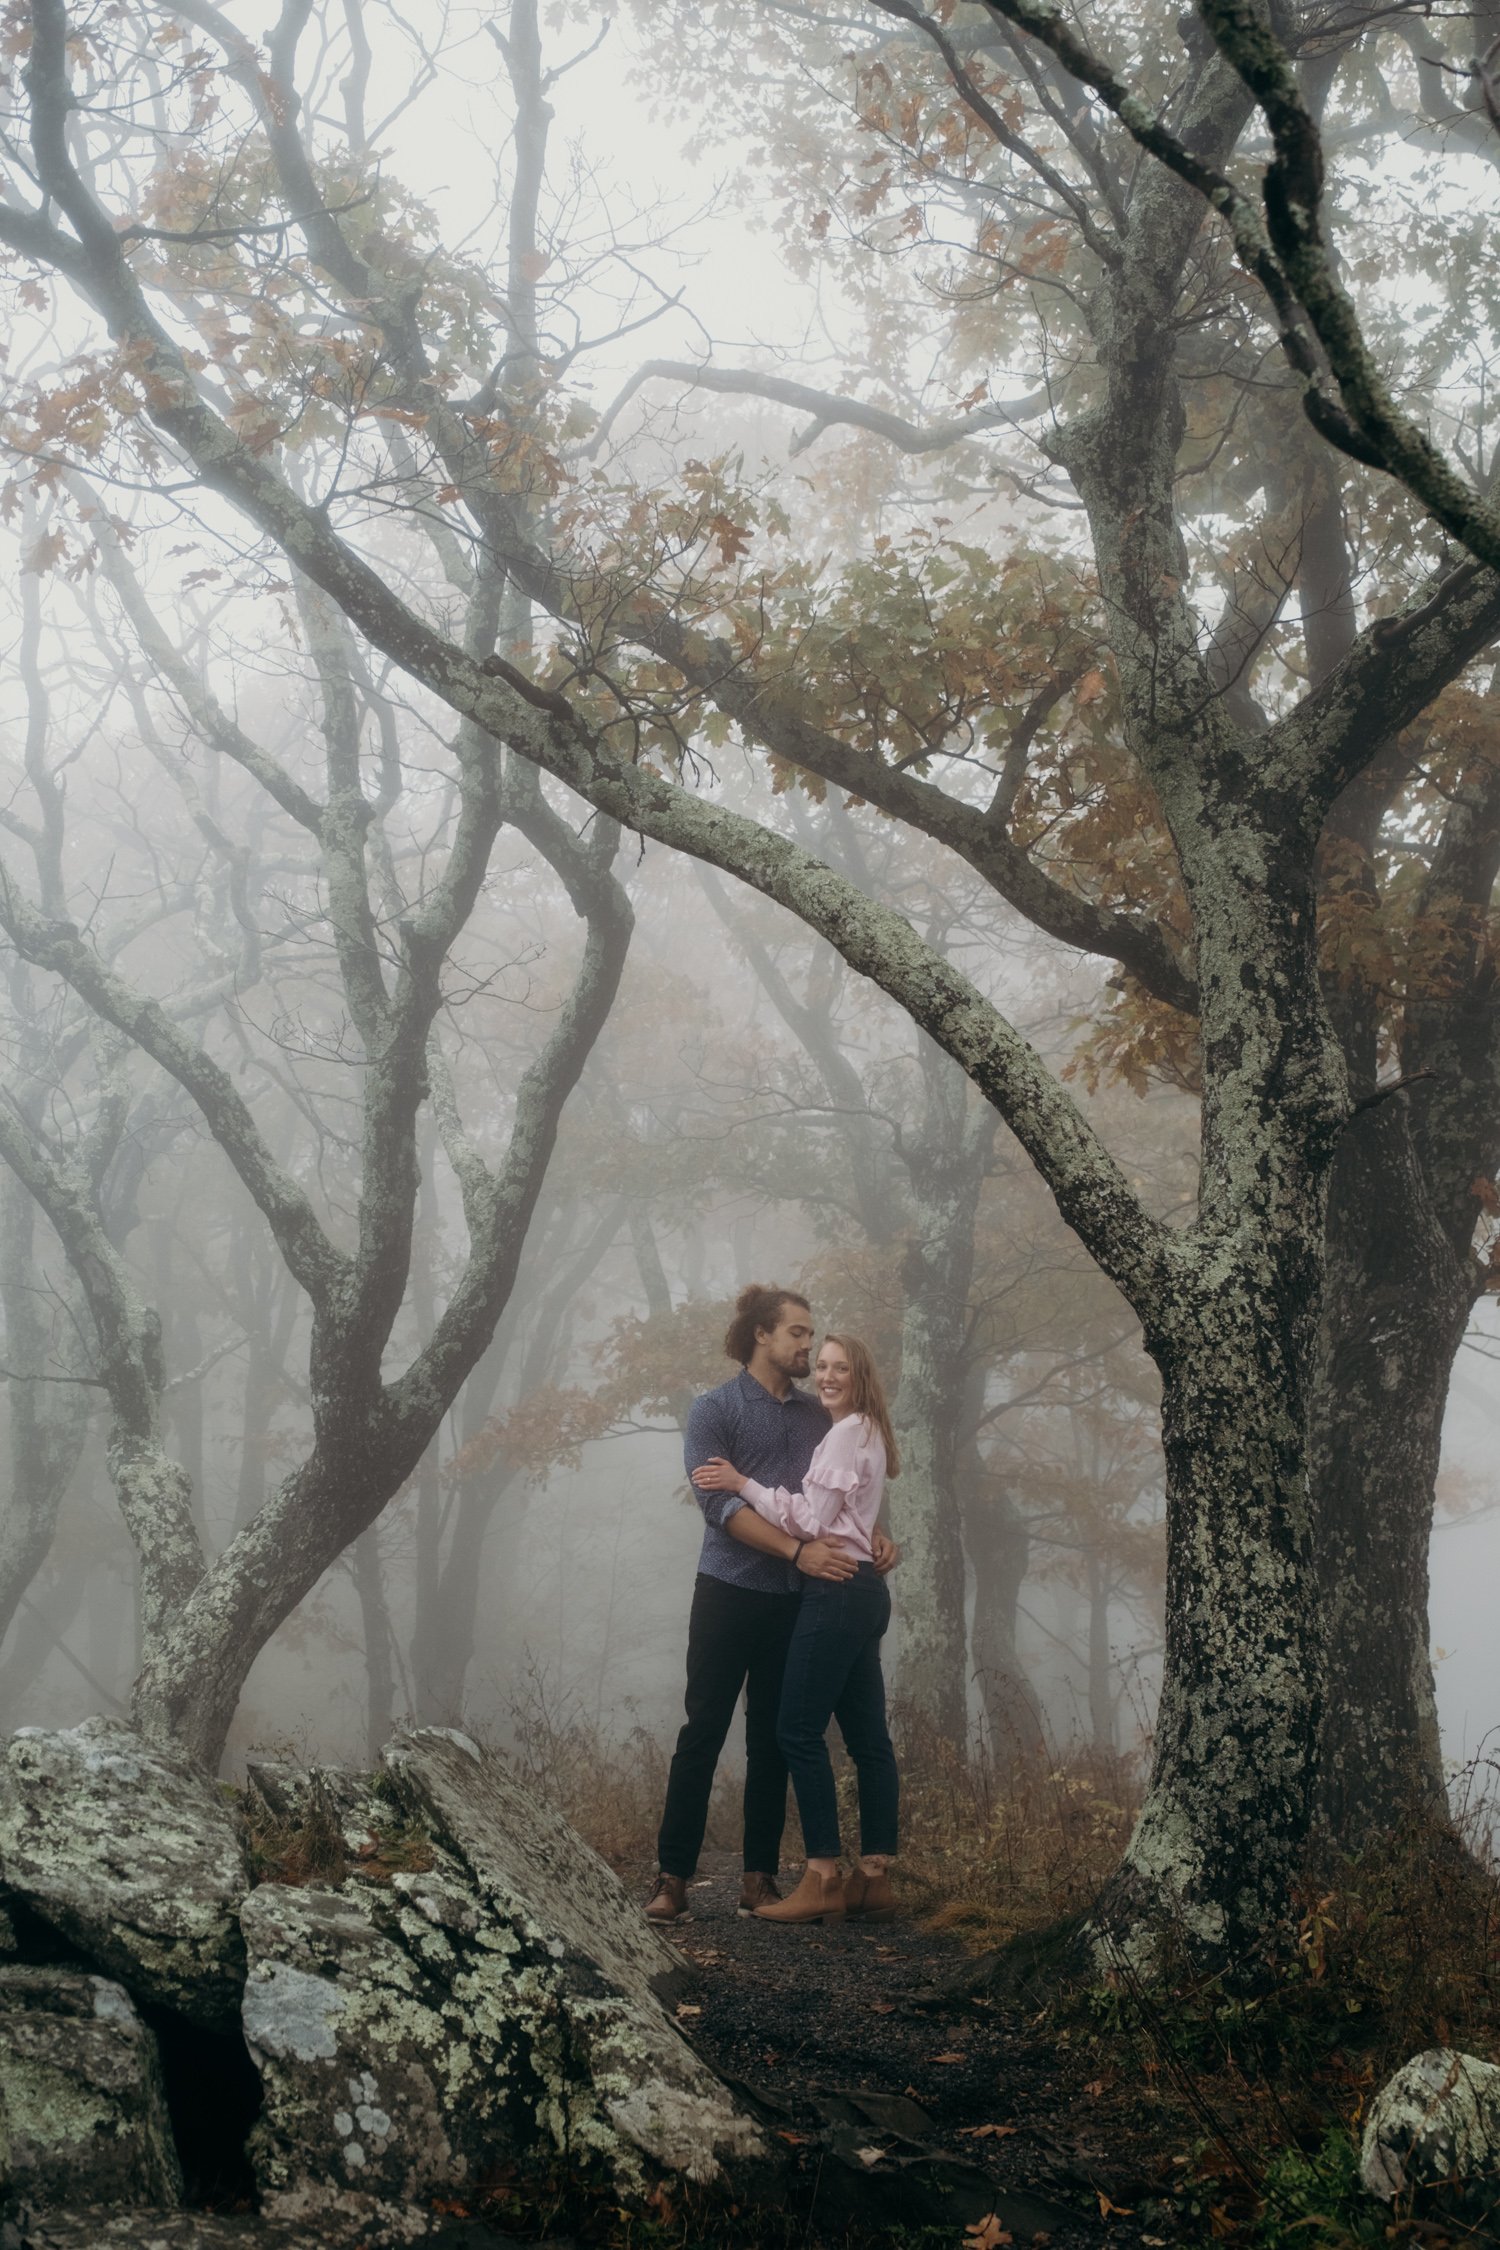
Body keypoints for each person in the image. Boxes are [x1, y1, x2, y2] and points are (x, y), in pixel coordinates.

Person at [645, 1287, 896, 1927]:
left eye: (812, 1336)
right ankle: (672, 1878)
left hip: (798, 1601)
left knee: (774, 1743)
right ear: (761, 1335)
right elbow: (720, 1509)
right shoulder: (713, 1410)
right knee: (702, 1732)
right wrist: (796, 1551)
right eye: (798, 1334)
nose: (809, 1347)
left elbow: (848, 1492)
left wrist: (876, 1535)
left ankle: (759, 1878)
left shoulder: (822, 1415)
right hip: (729, 1591)